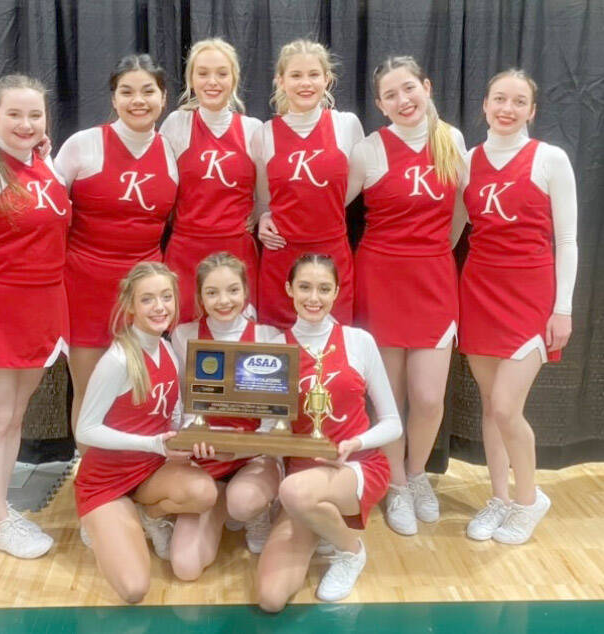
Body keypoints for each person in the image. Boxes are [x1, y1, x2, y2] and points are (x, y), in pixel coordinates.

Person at [347, 56, 467, 536]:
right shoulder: (369, 150)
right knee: (389, 399)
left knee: (429, 397)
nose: (403, 100)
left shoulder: (451, 140)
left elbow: (461, 216)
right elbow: (325, 209)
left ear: (426, 86)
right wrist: (268, 216)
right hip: (379, 280)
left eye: (409, 89)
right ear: (379, 104)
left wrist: (431, 251)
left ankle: (417, 474)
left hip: (434, 279)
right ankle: (395, 484)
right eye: (391, 95)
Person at [459, 69, 577, 544]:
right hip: (478, 291)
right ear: (484, 105)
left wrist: (562, 308)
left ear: (532, 110)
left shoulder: (550, 159)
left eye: (518, 101)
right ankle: (500, 498)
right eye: (499, 99)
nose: (507, 108)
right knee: (491, 407)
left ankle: (528, 500)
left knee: (508, 408)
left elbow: (567, 240)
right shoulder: (468, 160)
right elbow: (453, 231)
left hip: (529, 296)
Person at [255, 254, 401, 610]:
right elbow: (266, 427)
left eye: (324, 288)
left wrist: (355, 443)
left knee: (295, 490)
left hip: (357, 468)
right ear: (289, 289)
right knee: (271, 598)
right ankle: (320, 524)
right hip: (301, 480)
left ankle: (350, 551)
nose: (313, 298)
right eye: (304, 287)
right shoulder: (275, 350)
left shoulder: (358, 341)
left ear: (337, 292)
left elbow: (393, 424)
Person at [0, 74, 68, 558]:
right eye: (14, 114)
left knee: (14, 416)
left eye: (35, 115)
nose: (26, 124)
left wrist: (38, 152)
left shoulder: (44, 163)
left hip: (43, 304)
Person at [73, 262, 218, 603]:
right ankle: (99, 523)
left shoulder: (166, 346)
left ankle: (147, 515)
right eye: (148, 299)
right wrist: (153, 444)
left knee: (204, 493)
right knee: (135, 589)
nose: (160, 307)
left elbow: (176, 413)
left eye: (166, 297)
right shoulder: (118, 360)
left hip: (150, 472)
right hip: (106, 482)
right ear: (130, 306)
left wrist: (192, 435)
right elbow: (87, 429)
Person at [54, 54, 178, 447]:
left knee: (141, 387)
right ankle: (88, 475)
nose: (137, 100)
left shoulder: (173, 150)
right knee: (90, 389)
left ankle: (138, 472)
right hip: (86, 283)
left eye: (148, 91)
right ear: (113, 98)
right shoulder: (83, 144)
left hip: (146, 292)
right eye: (126, 92)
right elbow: (44, 204)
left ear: (164, 98)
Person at [169, 253, 283, 579]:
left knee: (244, 502)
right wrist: (193, 436)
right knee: (186, 568)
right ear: (200, 296)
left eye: (233, 290)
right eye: (212, 292)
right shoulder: (183, 335)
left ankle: (254, 512)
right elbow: (180, 404)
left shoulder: (268, 337)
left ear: (246, 292)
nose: (223, 301)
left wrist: (242, 448)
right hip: (204, 457)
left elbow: (275, 420)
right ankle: (217, 499)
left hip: (253, 456)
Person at [253, 39, 364, 329]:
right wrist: (264, 216)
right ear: (280, 80)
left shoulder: (347, 125)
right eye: (296, 75)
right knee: (279, 357)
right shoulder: (264, 133)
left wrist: (323, 213)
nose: (306, 83)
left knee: (333, 353)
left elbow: (351, 190)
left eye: (314, 75)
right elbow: (264, 198)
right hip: (281, 259)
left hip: (332, 256)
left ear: (327, 79)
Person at [160, 38, 262, 320]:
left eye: (221, 73)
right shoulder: (177, 124)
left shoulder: (253, 129)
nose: (212, 81)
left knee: (235, 341)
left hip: (236, 252)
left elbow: (266, 190)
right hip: (186, 250)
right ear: (191, 79)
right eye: (202, 73)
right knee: (185, 339)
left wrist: (257, 213)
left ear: (234, 78)